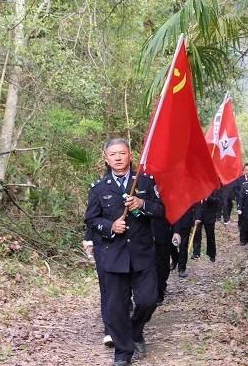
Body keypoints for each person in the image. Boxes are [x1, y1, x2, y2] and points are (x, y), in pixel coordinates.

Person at [83, 138, 164, 366]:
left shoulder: (146, 183)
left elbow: (160, 210)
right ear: (106, 159)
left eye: (122, 153)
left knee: (148, 300)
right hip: (113, 254)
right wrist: (110, 227)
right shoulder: (99, 188)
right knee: (116, 307)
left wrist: (142, 204)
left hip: (142, 253)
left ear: (130, 155)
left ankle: (136, 330)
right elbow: (91, 219)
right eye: (113, 154)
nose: (118, 158)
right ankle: (123, 352)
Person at [191, 189, 220, 262]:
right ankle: (196, 253)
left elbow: (217, 201)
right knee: (197, 235)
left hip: (209, 216)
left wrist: (208, 198)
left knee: (210, 235)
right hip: (198, 215)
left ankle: (211, 254)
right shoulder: (196, 188)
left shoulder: (213, 188)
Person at [151, 214, 173, 305]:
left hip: (162, 233)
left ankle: (159, 291)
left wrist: (176, 231)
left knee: (162, 264)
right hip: (143, 235)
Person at [172, 205, 196, 278]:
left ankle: (181, 268)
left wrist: (196, 217)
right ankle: (175, 259)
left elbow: (196, 204)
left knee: (183, 246)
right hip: (172, 221)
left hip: (185, 221)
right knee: (171, 246)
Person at [233, 163, 248, 245]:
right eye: (246, 170)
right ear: (243, 171)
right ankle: (242, 239)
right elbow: (235, 189)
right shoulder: (239, 179)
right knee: (241, 220)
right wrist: (241, 194)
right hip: (241, 204)